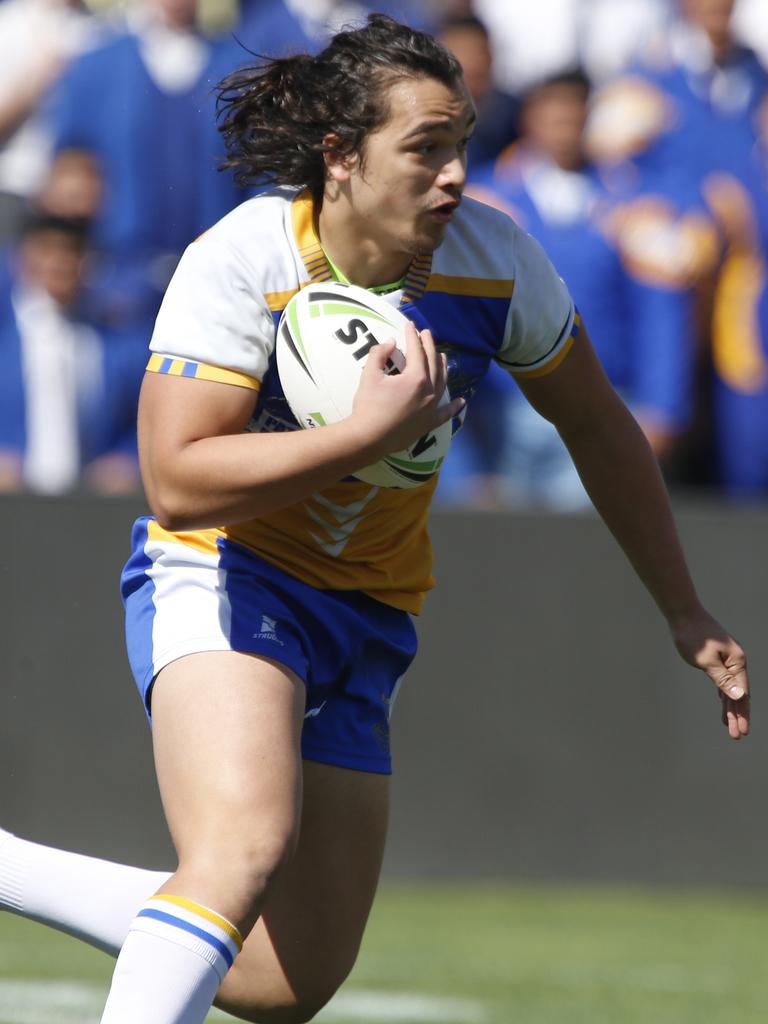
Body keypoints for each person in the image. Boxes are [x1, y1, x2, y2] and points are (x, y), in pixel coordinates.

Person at [0, 15, 750, 1024]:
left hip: (368, 612)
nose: (453, 174)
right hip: (225, 573)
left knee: (284, 981)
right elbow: (175, 482)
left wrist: (685, 609)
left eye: (463, 143)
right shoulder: (245, 257)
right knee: (241, 849)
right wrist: (359, 436)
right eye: (425, 147)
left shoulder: (496, 260)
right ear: (341, 158)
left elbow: (601, 429)